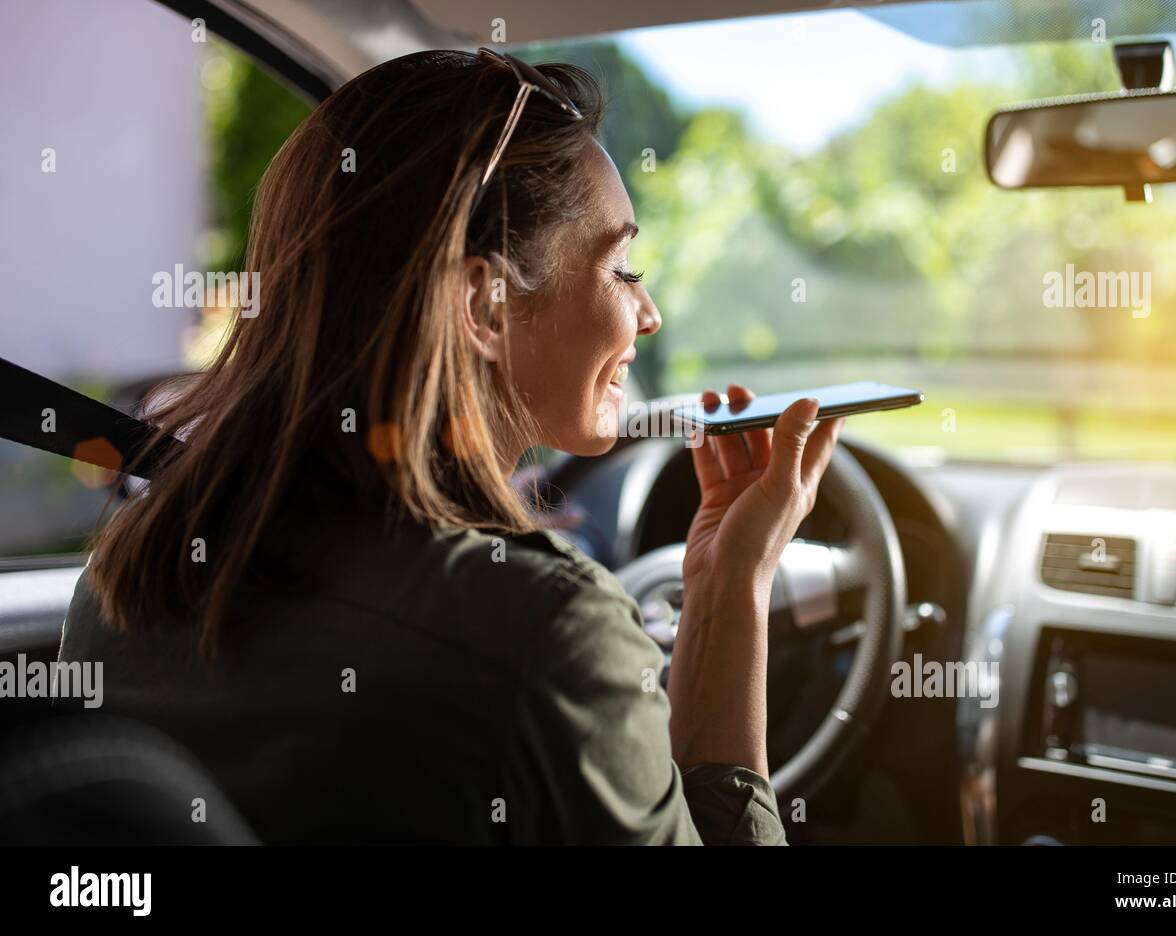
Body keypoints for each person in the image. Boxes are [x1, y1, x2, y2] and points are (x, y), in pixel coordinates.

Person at [58, 49, 841, 844]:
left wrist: (718, 573)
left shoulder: (123, 582)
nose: (648, 313)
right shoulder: (552, 639)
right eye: (622, 267)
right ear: (485, 306)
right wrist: (736, 590)